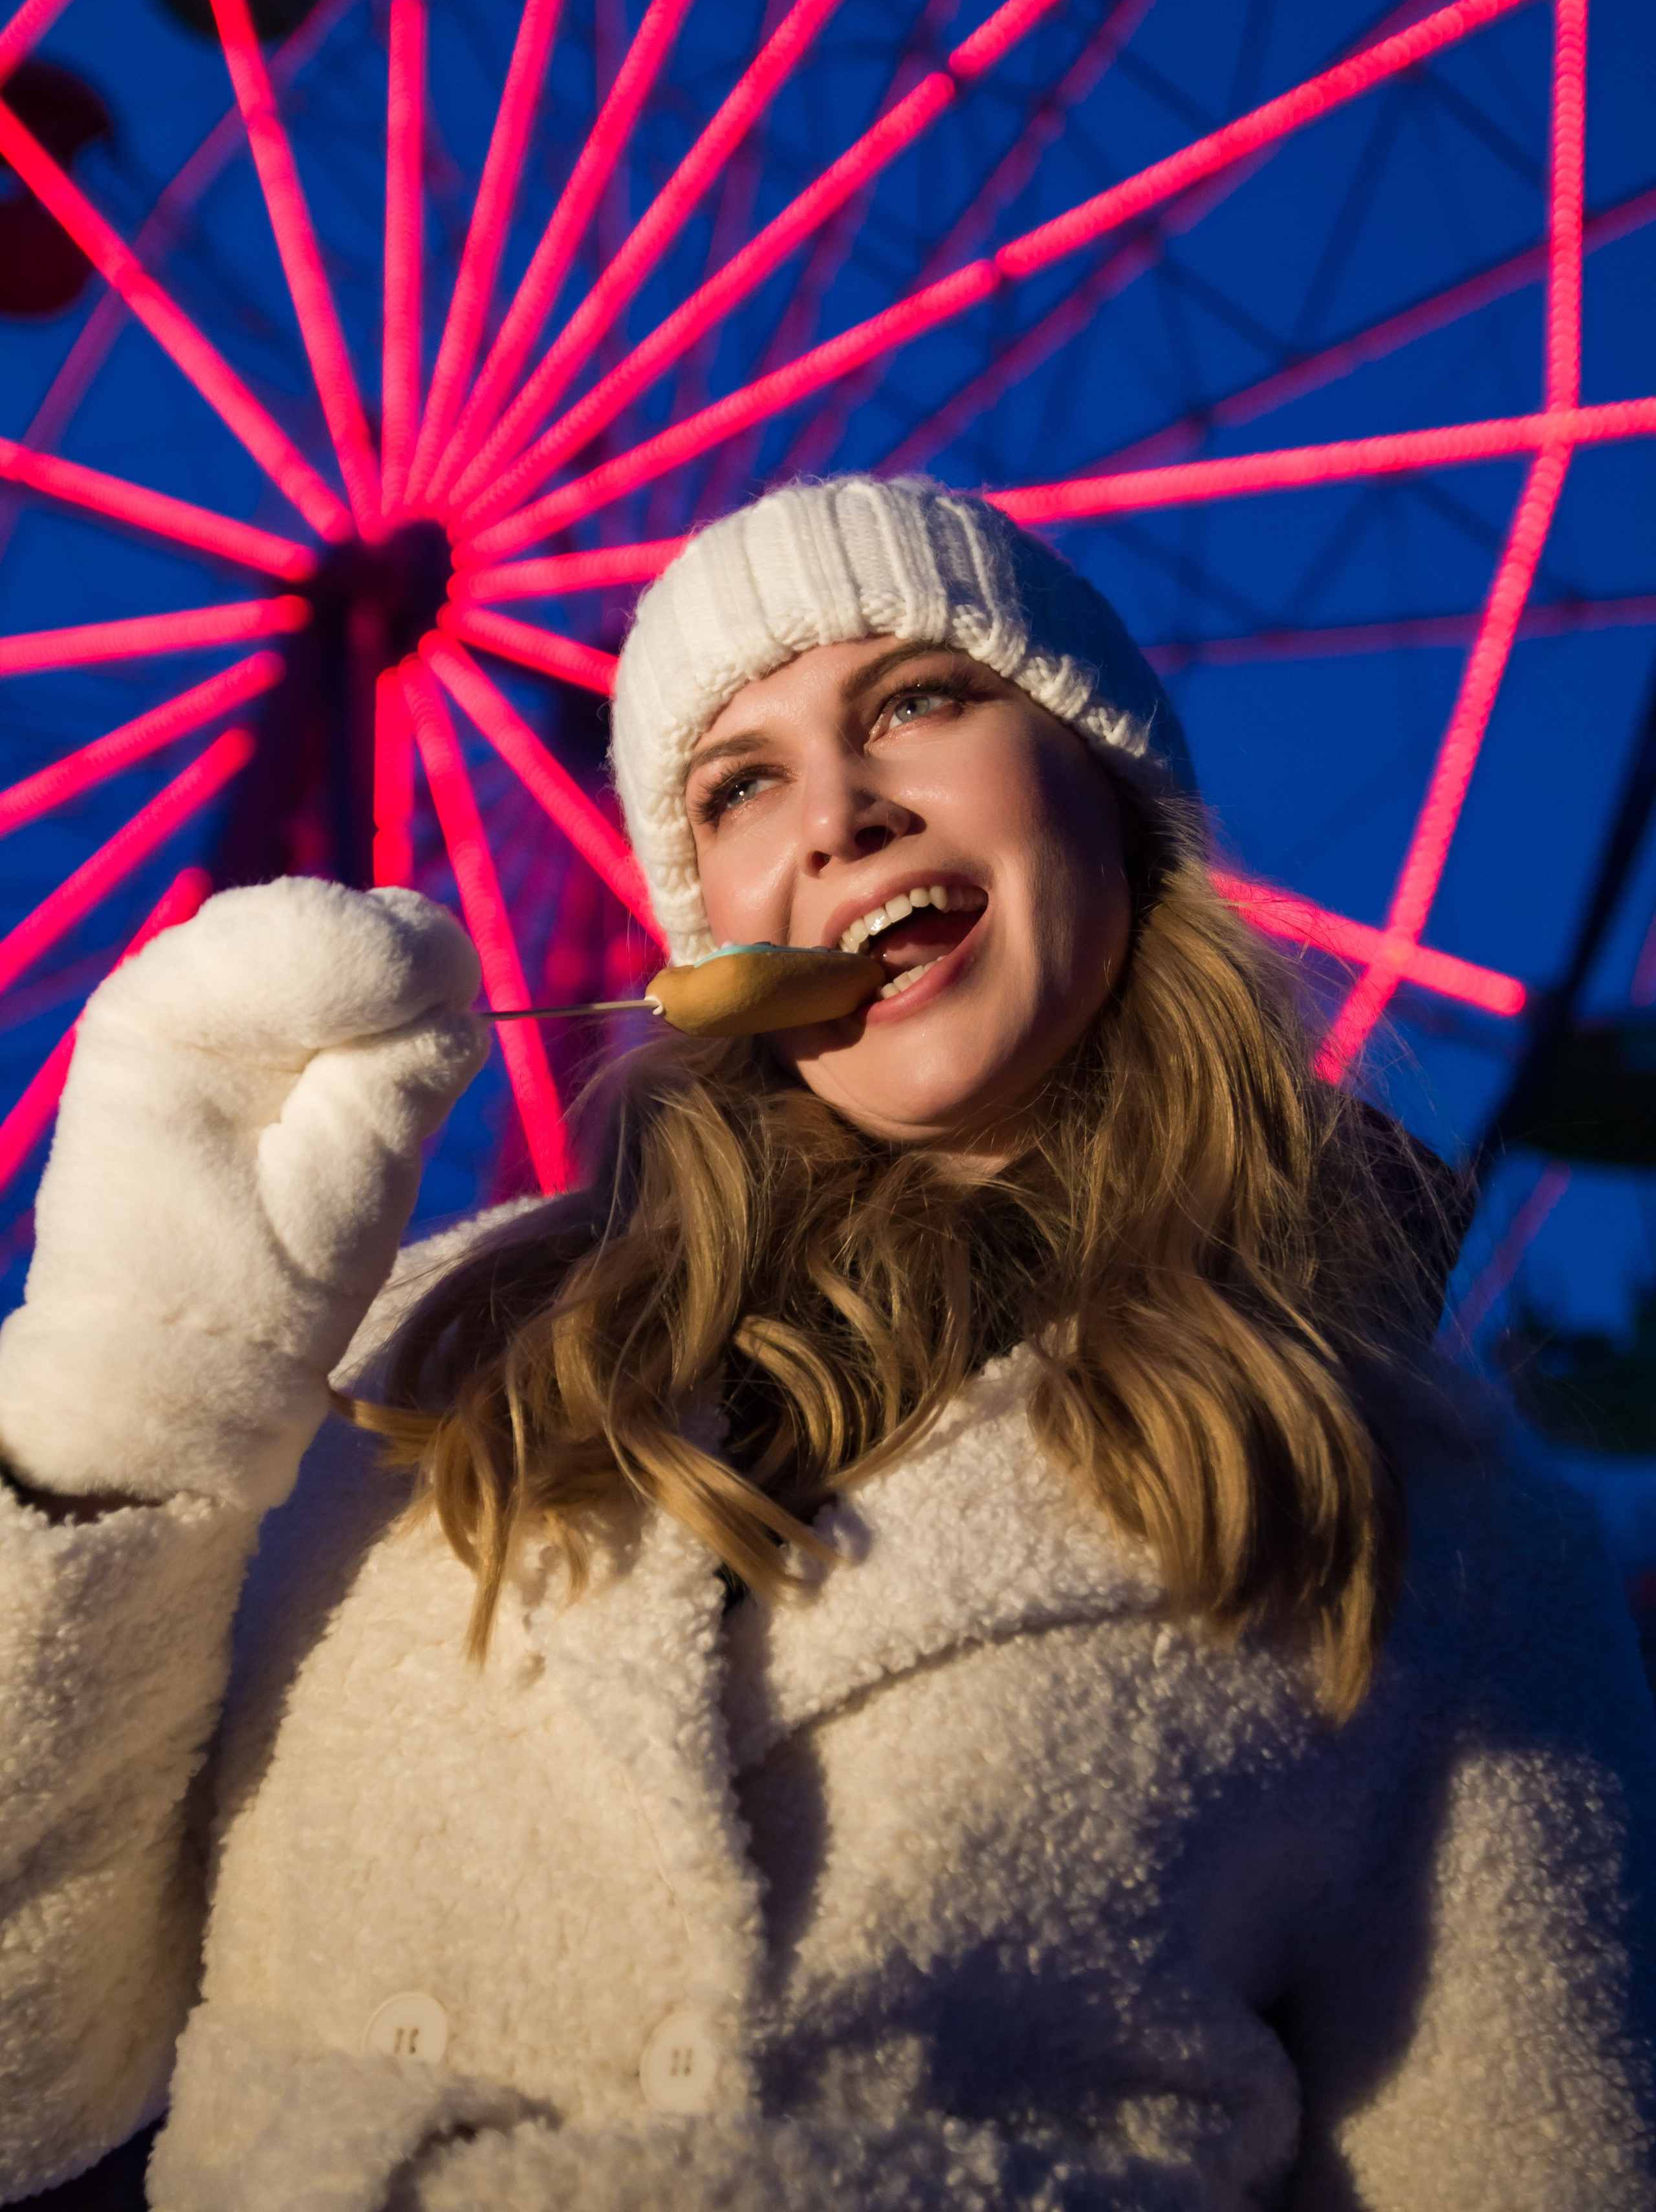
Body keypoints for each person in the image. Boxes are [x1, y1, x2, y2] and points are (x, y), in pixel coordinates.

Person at [0, 475, 1651, 2212]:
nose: (840, 814)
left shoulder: (1423, 1510)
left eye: (918, 702)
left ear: (1105, 789)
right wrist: (134, 1371)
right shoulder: (411, 1362)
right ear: (707, 917)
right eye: (741, 785)